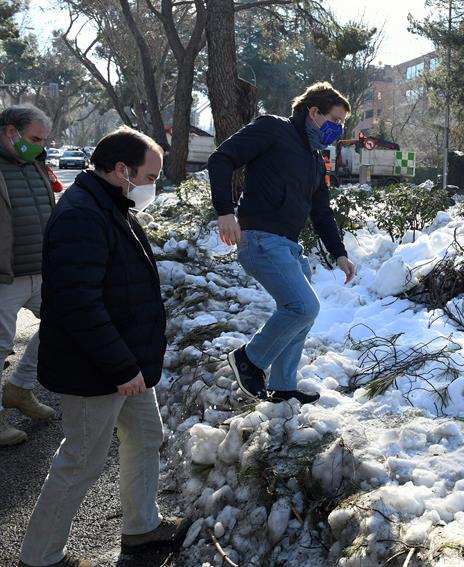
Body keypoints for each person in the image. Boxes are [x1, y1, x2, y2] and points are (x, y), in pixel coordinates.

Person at [18, 127, 187, 567]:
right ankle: (40, 558)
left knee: (146, 434)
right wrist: (120, 366)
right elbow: (78, 304)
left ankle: (141, 528)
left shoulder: (110, 203)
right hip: (98, 368)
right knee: (80, 461)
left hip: (122, 362)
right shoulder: (83, 215)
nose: (154, 185)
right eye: (150, 175)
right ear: (120, 170)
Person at [207, 81, 357, 404]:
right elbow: (221, 159)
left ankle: (283, 387)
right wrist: (224, 212)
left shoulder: (316, 159)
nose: (338, 130)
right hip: (260, 239)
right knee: (303, 306)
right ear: (313, 112)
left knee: (302, 313)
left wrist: (339, 253)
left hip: (288, 245)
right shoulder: (273, 130)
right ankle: (250, 360)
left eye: (342, 125)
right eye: (335, 121)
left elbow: (322, 212)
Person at [0, 104, 56, 447]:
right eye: (34, 138)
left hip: (41, 270)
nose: (39, 145)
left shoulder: (35, 164)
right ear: (11, 132)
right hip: (4, 277)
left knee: (62, 323)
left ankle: (19, 388)